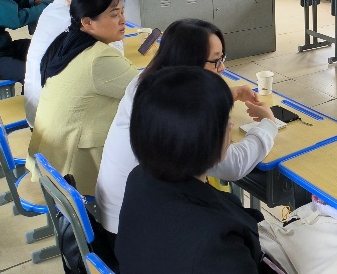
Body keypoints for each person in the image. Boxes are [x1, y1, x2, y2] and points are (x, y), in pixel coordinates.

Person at [116, 66, 337, 274]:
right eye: (224, 120)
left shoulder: (140, 178)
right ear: (202, 141)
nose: (231, 125)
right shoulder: (211, 243)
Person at [96, 18, 277, 239]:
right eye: (216, 61)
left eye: (222, 58)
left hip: (125, 211)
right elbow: (232, 165)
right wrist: (268, 125)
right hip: (138, 230)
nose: (223, 68)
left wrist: (229, 94)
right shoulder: (174, 107)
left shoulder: (147, 83)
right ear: (189, 61)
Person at [28, 0, 137, 195]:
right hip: (74, 168)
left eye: (123, 13)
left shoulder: (67, 41)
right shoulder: (100, 58)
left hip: (52, 158)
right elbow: (148, 93)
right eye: (114, 15)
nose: (123, 20)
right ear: (87, 22)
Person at [23, 0, 113, 127]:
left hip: (42, 110)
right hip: (51, 122)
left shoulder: (56, 9)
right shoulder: (71, 19)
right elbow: (112, 56)